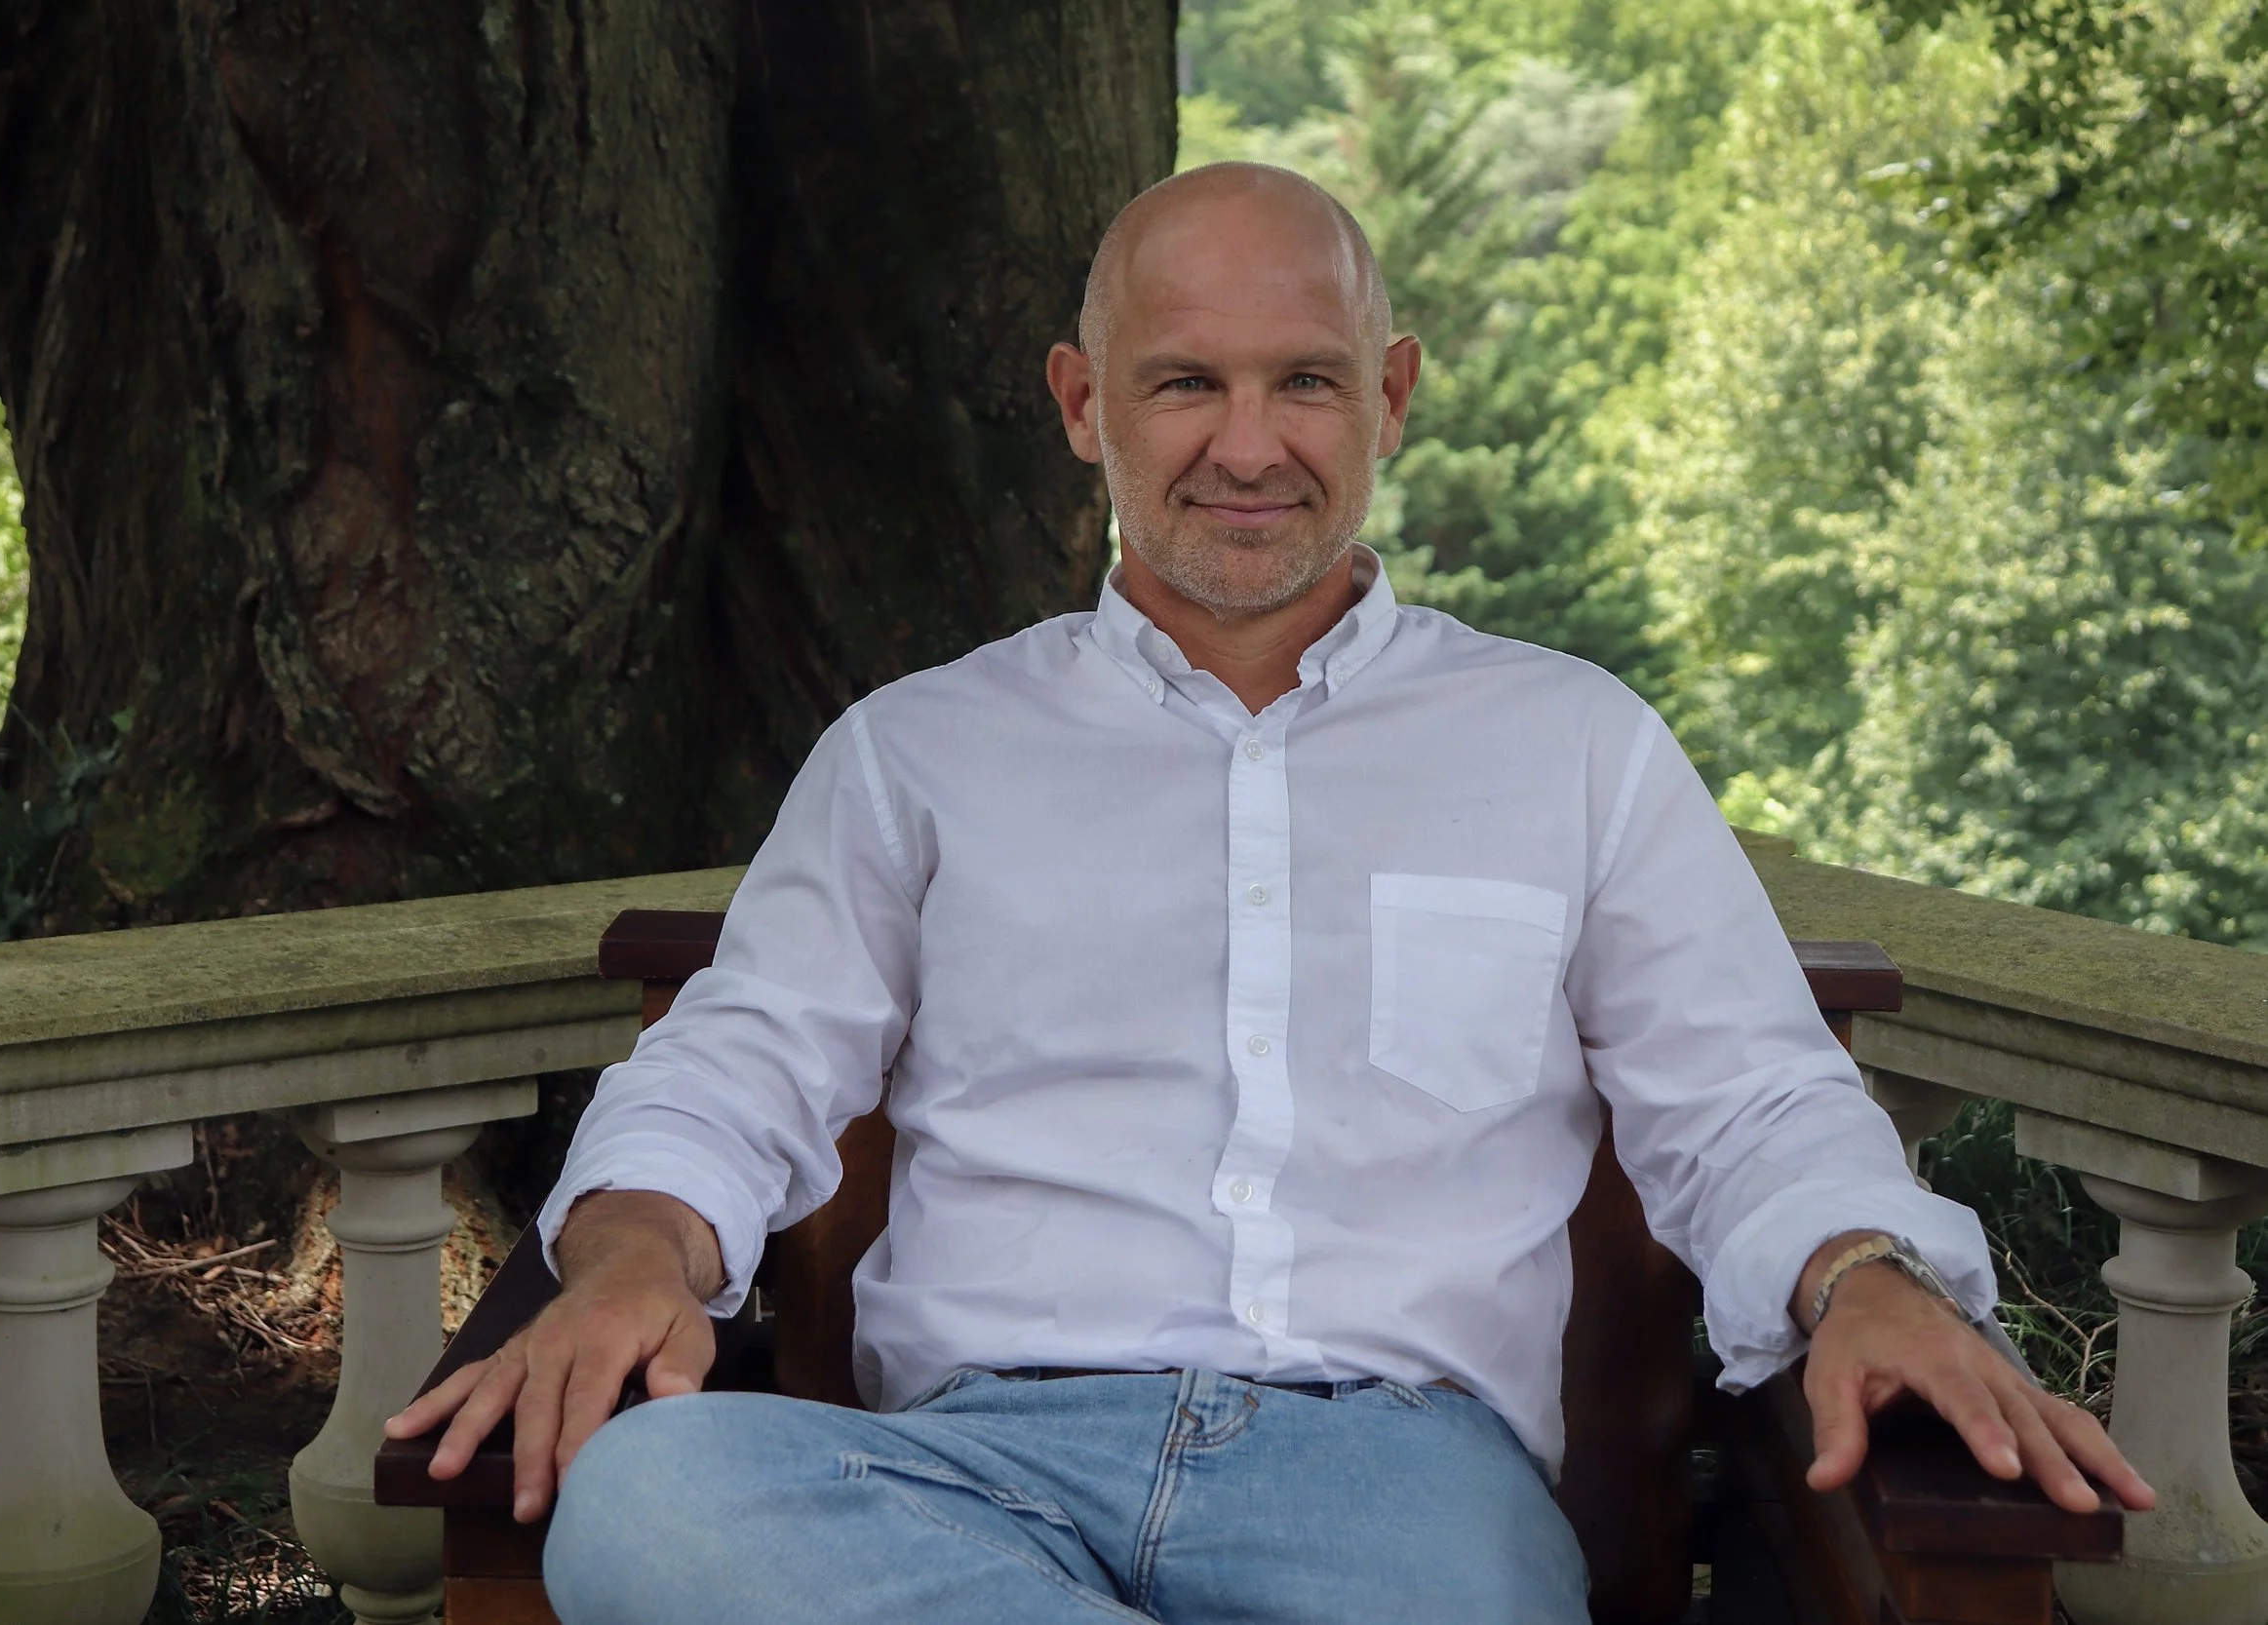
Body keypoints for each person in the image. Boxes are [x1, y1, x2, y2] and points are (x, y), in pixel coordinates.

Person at [389, 163, 2151, 1623]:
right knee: (654, 1503)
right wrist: (629, 1251)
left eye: (1304, 380)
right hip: (964, 1474)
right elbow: (742, 1061)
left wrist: (1865, 1273)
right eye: (1186, 383)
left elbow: (1749, 1091)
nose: (1251, 444)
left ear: (1387, 396)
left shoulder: (1572, 745)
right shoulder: (915, 756)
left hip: (1399, 1498)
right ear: (1087, 407)